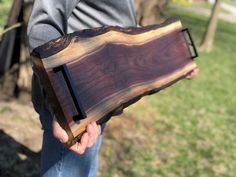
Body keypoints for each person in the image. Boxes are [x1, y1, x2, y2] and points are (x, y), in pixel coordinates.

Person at [27, 0, 199, 177]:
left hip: (100, 103)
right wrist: (61, 105)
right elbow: (44, 23)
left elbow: (121, 22)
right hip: (75, 105)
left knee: (84, 168)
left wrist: (176, 56)